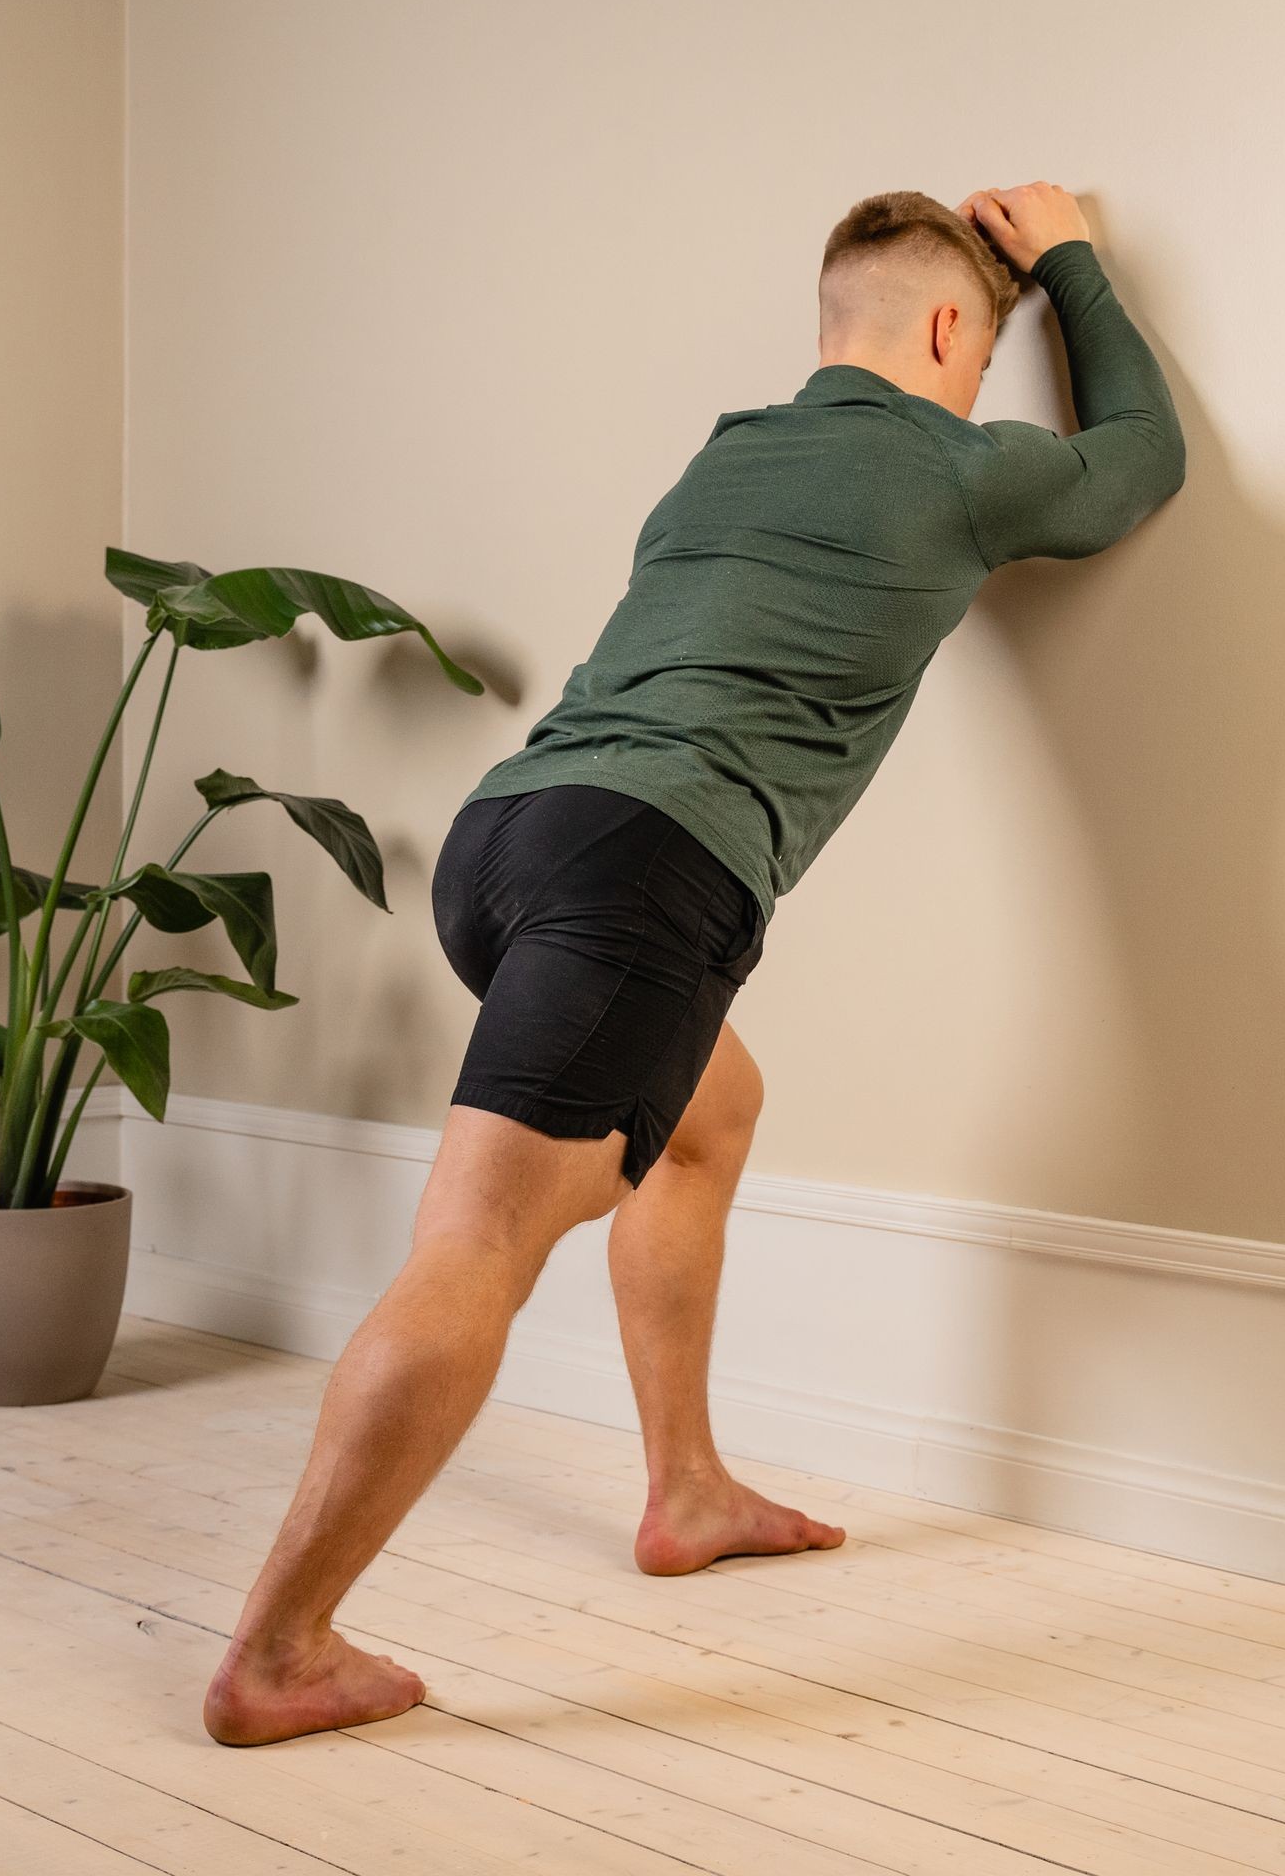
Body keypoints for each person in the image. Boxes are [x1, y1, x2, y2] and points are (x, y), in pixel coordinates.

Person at [203, 180, 1185, 1745]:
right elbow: (1144, 462)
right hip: (646, 873)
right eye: (981, 352)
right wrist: (1068, 258)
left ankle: (686, 1490)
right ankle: (279, 1653)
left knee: (708, 1114)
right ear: (949, 332)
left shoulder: (727, 457)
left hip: (508, 840)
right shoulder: (958, 467)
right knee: (477, 1249)